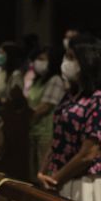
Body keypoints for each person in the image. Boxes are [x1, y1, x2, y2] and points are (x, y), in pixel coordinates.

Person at [38, 34, 101, 201]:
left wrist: (56, 178)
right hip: (59, 178)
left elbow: (88, 153)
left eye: (71, 57)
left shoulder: (100, 98)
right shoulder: (70, 95)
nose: (66, 62)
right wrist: (43, 172)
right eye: (66, 56)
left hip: (82, 182)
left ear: (87, 60)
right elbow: (58, 138)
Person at [26, 46, 65, 182]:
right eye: (37, 59)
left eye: (43, 59)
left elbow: (46, 106)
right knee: (31, 172)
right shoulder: (38, 81)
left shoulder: (55, 79)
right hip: (33, 129)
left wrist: (27, 118)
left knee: (43, 171)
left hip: (46, 131)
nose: (39, 62)